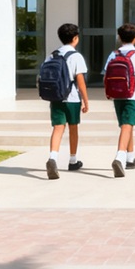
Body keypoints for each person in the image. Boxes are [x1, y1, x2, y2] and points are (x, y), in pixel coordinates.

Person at [107, 23, 135, 178]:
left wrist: (108, 92)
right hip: (132, 95)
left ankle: (130, 157)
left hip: (117, 95)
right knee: (127, 125)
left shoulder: (113, 55)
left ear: (119, 37)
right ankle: (119, 156)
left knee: (127, 124)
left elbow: (106, 75)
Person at [46, 22, 89, 180]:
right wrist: (86, 100)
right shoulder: (76, 56)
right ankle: (73, 160)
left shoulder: (53, 54)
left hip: (56, 97)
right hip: (72, 98)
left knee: (58, 128)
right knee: (73, 128)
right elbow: (81, 81)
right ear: (75, 38)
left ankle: (53, 158)